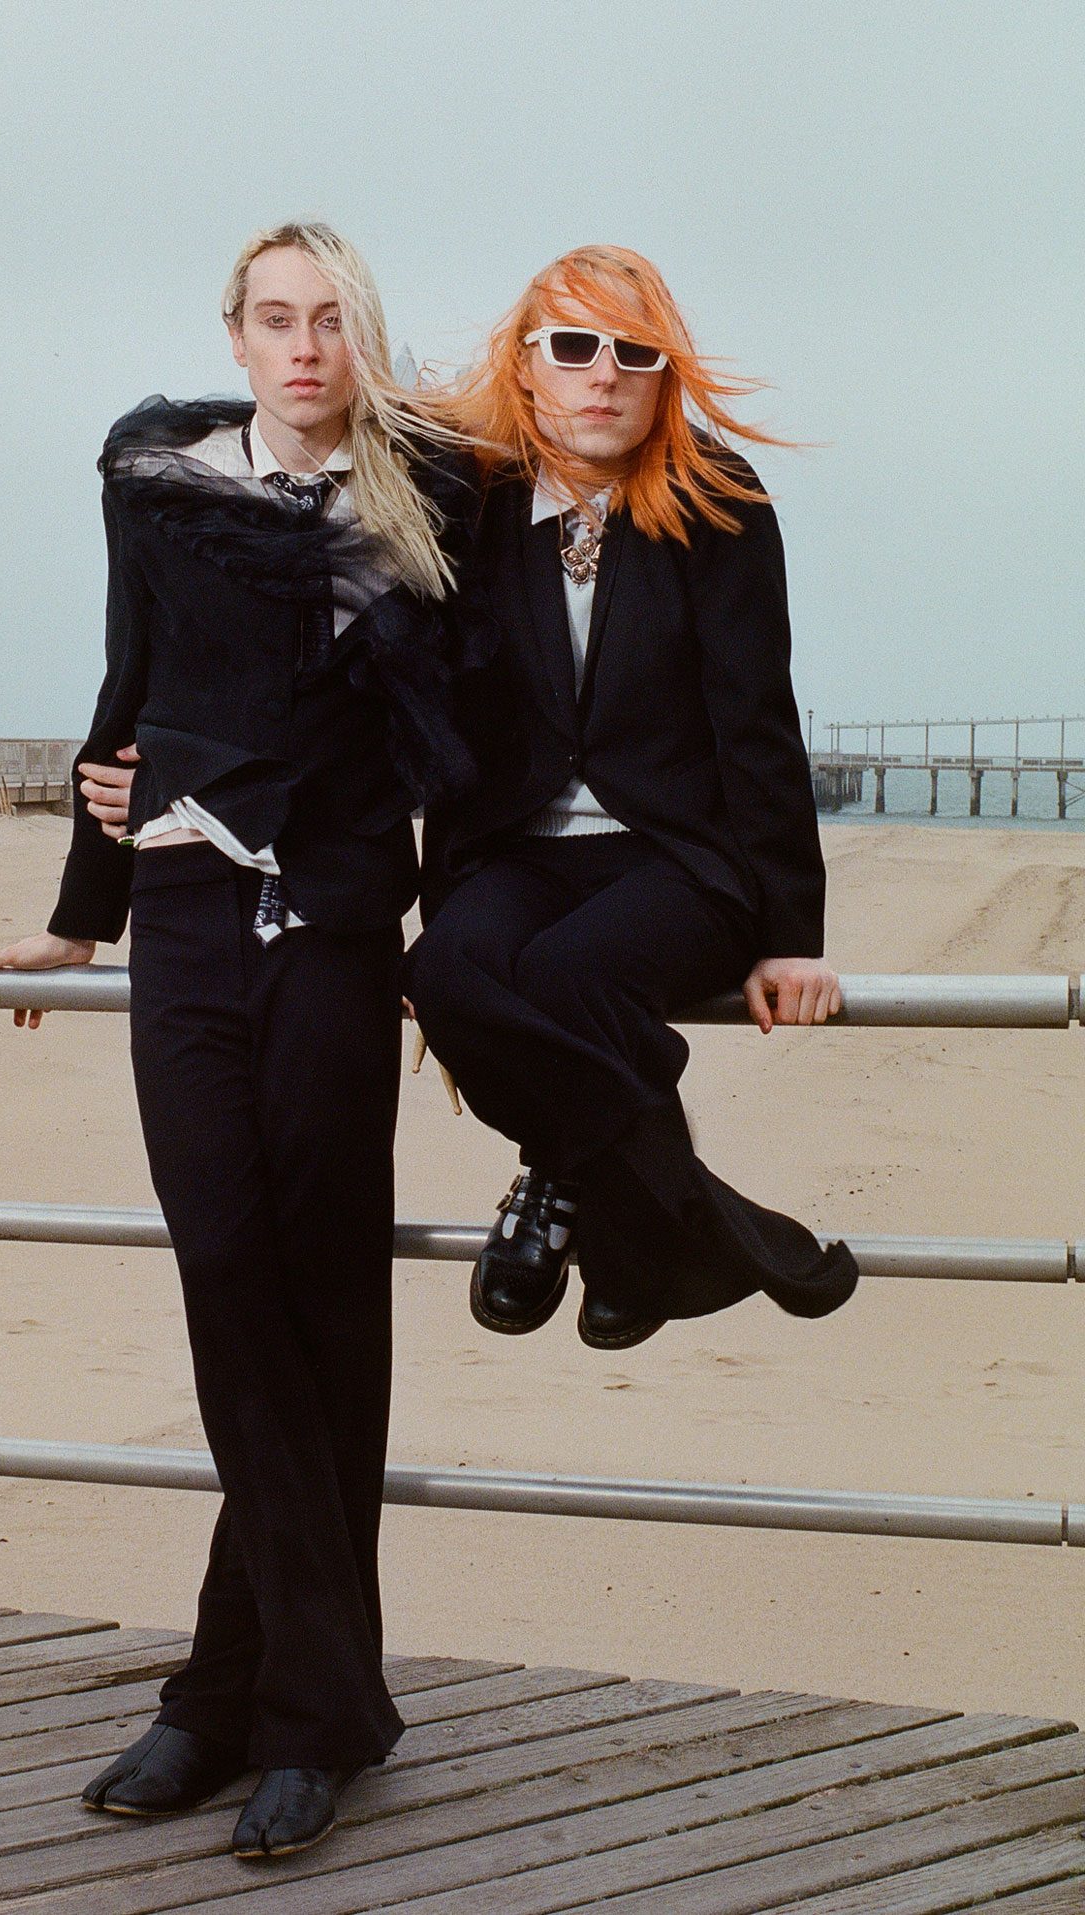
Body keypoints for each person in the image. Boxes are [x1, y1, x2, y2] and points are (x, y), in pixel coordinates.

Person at [0, 222, 471, 1859]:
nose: (306, 346)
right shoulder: (159, 475)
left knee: (323, 1301)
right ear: (237, 338)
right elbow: (130, 679)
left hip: (334, 932)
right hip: (186, 935)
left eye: (333, 320)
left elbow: (455, 743)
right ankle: (317, 1700)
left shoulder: (425, 507)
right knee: (227, 1276)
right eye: (277, 320)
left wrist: (456, 950)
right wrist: (81, 903)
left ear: (364, 337)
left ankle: (236, 1698)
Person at [406, 245, 858, 1352]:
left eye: (633, 351)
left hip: (674, 858)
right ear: (527, 365)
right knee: (444, 968)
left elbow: (758, 723)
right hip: (513, 850)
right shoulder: (470, 503)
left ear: (663, 374)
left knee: (566, 974)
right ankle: (660, 1220)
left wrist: (794, 934)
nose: (602, 374)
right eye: (573, 346)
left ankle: (561, 1192)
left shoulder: (721, 502)